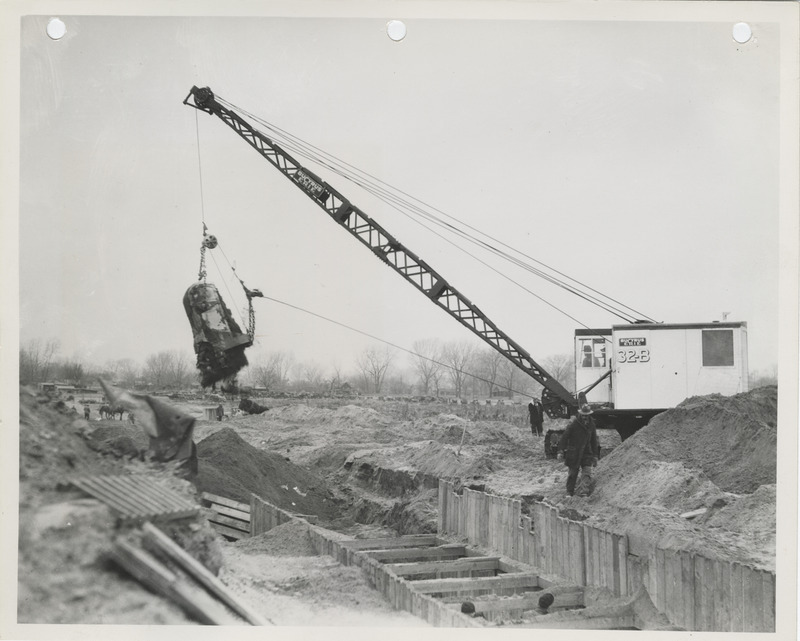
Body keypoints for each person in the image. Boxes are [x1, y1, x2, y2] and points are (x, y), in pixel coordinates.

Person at [557, 403, 599, 496]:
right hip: (574, 453)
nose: (585, 417)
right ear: (580, 414)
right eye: (583, 415)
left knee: (587, 472)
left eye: (586, 415)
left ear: (589, 415)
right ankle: (569, 492)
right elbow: (564, 437)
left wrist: (595, 456)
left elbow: (593, 441)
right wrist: (560, 451)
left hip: (586, 453)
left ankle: (584, 492)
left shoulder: (591, 424)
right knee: (572, 474)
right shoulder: (574, 424)